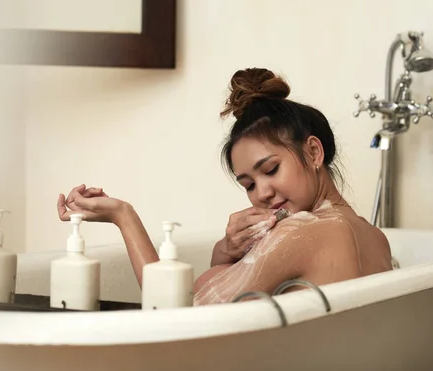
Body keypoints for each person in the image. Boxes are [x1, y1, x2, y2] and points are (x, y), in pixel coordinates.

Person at [57, 68, 393, 306]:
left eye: (271, 169)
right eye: (248, 184)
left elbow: (174, 312)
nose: (262, 193)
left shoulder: (301, 233)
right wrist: (225, 252)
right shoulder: (376, 239)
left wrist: (123, 215)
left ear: (314, 151)